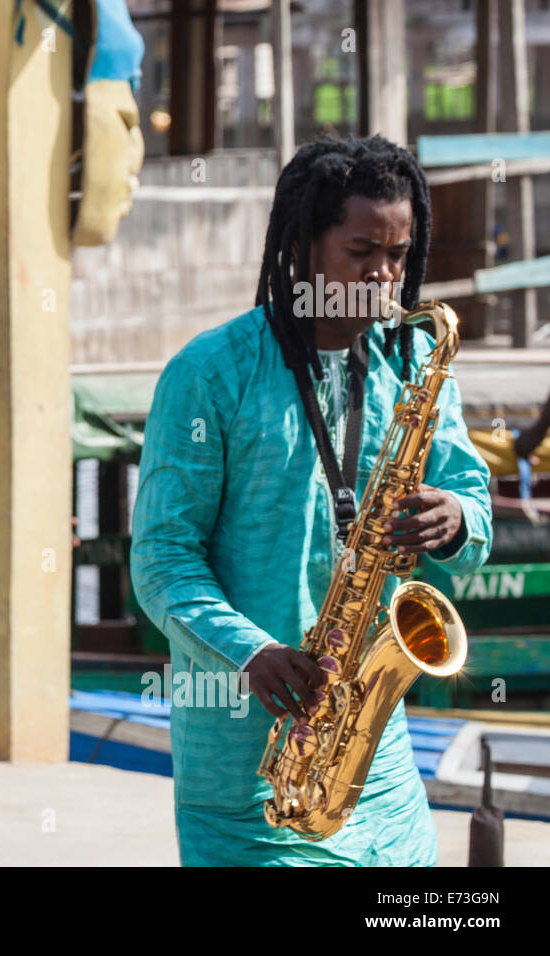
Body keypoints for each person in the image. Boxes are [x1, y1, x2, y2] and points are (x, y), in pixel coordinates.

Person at [130, 136, 493, 866]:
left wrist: (455, 520)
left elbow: (472, 497)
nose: (386, 276)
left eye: (400, 254)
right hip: (248, 770)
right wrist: (251, 651)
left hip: (378, 767)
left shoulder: (416, 358)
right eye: (363, 251)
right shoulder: (208, 373)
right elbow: (163, 559)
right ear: (303, 245)